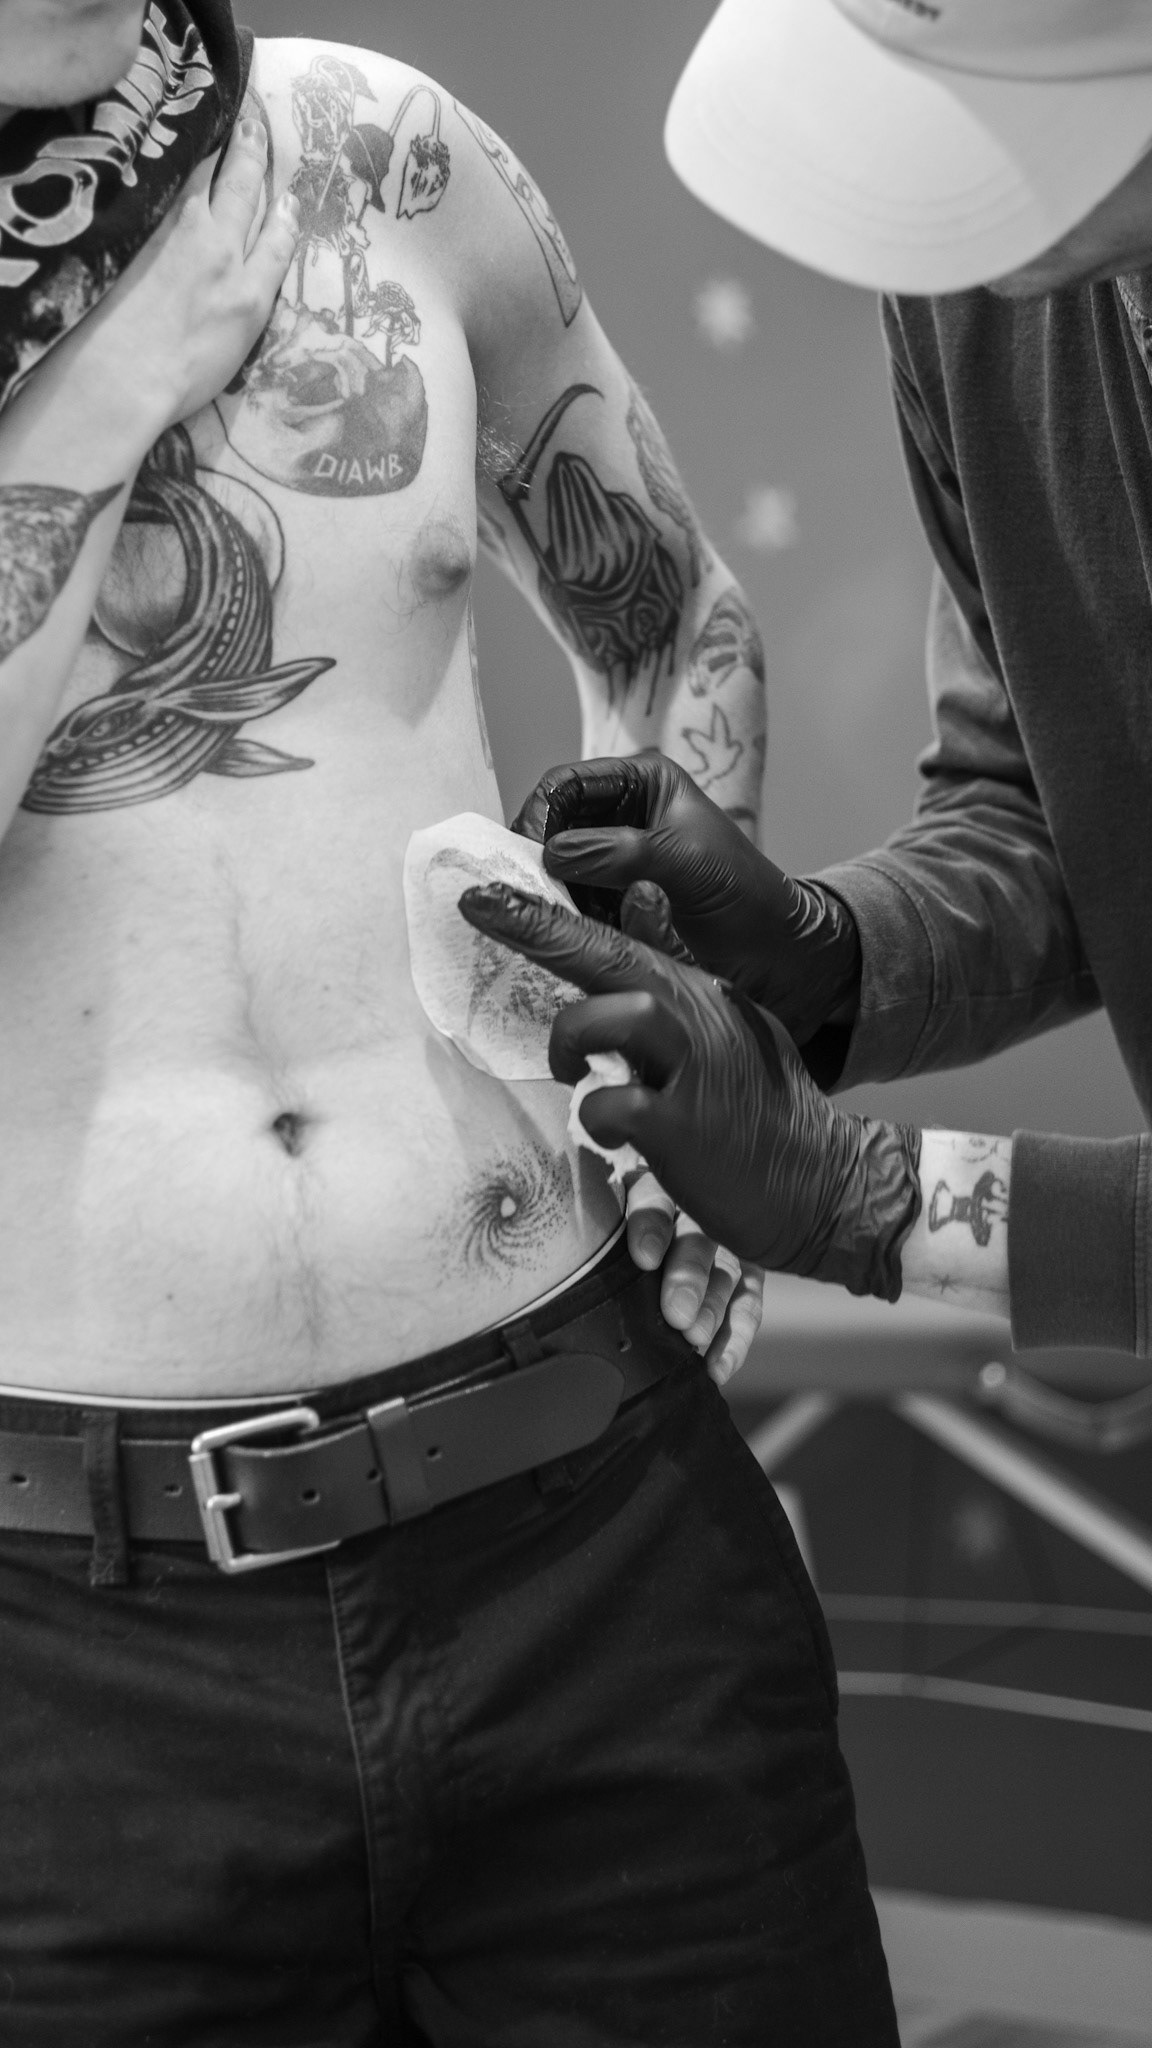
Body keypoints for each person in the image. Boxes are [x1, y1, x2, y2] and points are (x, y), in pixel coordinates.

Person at [0, 2, 901, 2040]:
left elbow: (673, 625)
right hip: (63, 1641)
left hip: (589, 1525)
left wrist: (675, 1038)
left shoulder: (377, 151)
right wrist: (116, 378)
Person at [466, 0, 1152, 1363]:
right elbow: (1059, 798)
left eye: (985, 123)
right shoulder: (991, 284)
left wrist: (878, 1207)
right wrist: (833, 952)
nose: (936, 201)